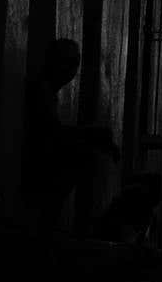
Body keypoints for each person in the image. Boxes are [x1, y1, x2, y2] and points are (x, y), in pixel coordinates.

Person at [21, 38, 120, 231]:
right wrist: (91, 135)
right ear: (53, 61)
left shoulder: (46, 90)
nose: (73, 69)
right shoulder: (42, 90)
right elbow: (51, 132)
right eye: (68, 62)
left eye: (76, 63)